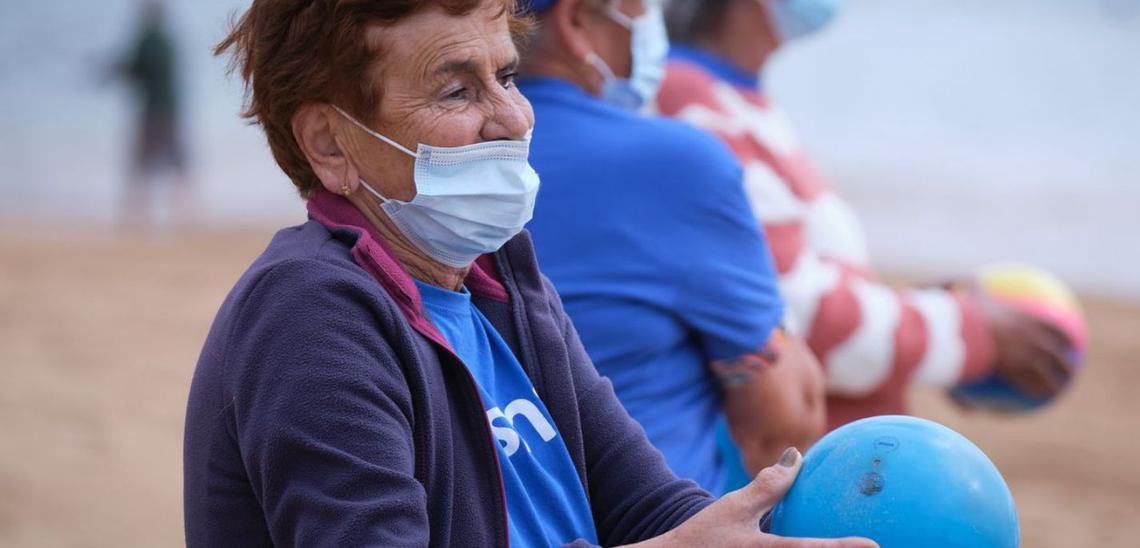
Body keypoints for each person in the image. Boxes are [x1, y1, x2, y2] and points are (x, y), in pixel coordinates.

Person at [183, 0, 876, 546]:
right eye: (457, 91)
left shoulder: (500, 281)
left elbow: (648, 505)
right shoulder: (310, 313)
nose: (512, 117)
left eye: (507, 76)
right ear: (330, 143)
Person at [657, 0, 1074, 427]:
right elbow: (790, 321)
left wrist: (924, 312)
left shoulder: (733, 97)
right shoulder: (691, 102)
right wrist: (971, 334)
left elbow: (795, 284)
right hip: (789, 474)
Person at [517, 0, 827, 494]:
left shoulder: (426, 163)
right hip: (660, 517)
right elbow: (783, 423)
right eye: (642, 6)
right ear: (575, 22)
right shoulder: (678, 164)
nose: (651, 23)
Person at [112, 0, 194, 228]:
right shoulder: (167, 41)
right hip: (171, 109)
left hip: (153, 111)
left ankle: (137, 214)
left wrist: (114, 70)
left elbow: (135, 69)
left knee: (141, 164)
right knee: (178, 163)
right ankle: (188, 213)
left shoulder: (149, 40)